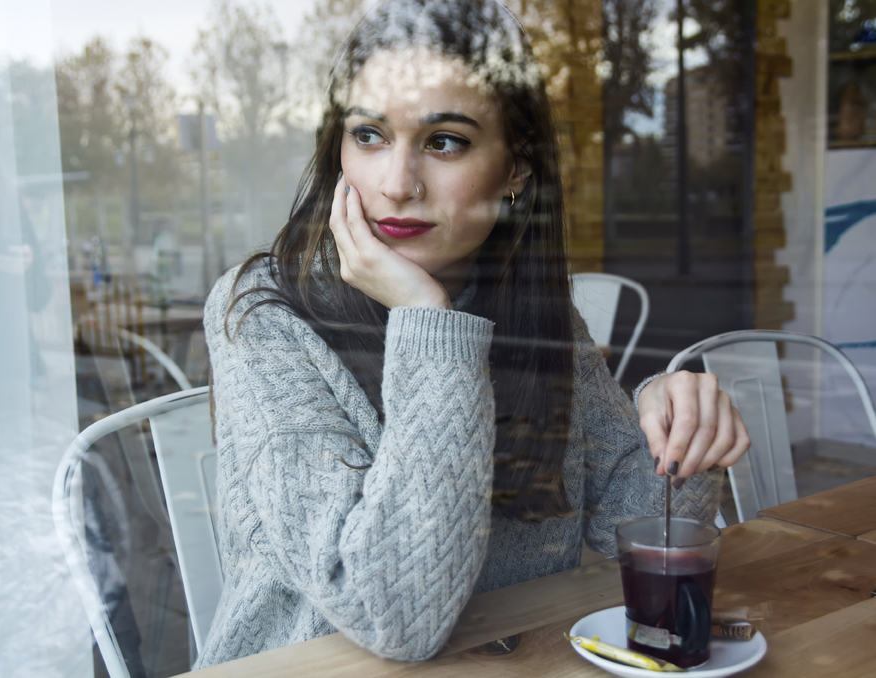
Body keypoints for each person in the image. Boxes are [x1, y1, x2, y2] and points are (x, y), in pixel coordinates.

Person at [197, 0, 749, 668]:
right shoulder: (263, 312)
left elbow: (623, 522)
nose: (397, 184)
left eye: (444, 142)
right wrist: (429, 322)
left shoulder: (531, 309)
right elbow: (392, 616)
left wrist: (680, 428)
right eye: (369, 135)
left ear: (516, 170)